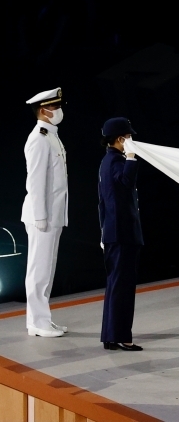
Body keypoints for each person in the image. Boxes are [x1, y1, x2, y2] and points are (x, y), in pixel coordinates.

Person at [22, 87, 69, 338]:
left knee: (47, 269)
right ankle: (36, 323)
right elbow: (36, 181)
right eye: (54, 107)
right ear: (44, 110)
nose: (58, 111)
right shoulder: (38, 138)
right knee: (38, 269)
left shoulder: (51, 135)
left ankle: (43, 319)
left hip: (53, 214)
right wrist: (41, 216)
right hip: (43, 216)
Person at [98, 117, 144, 351]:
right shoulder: (116, 161)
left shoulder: (107, 162)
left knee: (116, 285)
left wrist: (103, 231)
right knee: (123, 287)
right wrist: (131, 158)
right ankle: (122, 336)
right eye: (128, 137)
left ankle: (111, 335)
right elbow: (126, 182)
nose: (131, 141)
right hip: (122, 234)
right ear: (120, 139)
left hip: (114, 233)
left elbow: (102, 203)